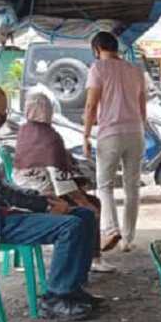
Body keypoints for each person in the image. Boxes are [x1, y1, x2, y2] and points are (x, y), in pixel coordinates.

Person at [0, 85, 97, 320]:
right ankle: (56, 298)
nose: (4, 118)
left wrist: (39, 197)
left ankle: (72, 289)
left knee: (84, 215)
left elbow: (1, 186)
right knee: (69, 226)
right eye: (3, 112)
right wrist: (46, 207)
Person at [13, 91, 116, 273]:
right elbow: (60, 177)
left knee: (86, 203)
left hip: (23, 192)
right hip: (44, 195)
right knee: (91, 207)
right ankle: (94, 258)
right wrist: (81, 200)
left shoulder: (24, 131)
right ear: (48, 110)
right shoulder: (50, 137)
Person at [83, 31, 146, 253]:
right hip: (136, 132)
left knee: (105, 186)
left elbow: (91, 106)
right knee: (132, 187)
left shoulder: (97, 68)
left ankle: (111, 230)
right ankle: (128, 239)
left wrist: (85, 136)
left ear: (96, 50)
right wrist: (141, 129)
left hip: (110, 133)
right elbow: (142, 107)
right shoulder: (135, 70)